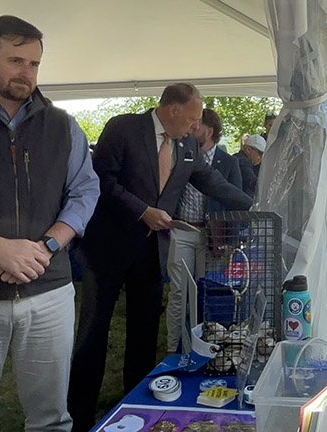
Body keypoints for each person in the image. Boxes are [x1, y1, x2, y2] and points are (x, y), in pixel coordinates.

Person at [68, 83, 252, 432]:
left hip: (151, 252)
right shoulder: (123, 127)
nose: (196, 126)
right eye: (193, 118)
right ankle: (80, 415)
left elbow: (211, 181)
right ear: (172, 110)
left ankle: (137, 406)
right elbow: (101, 181)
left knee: (144, 331)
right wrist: (142, 211)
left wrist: (255, 205)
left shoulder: (187, 146)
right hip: (106, 249)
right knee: (94, 331)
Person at [0, 15, 100, 431]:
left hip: (49, 289)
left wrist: (47, 246)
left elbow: (85, 192)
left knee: (52, 416)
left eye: (34, 63)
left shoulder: (63, 125)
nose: (27, 72)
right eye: (16, 60)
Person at [165, 107, 244, 352]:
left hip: (213, 239)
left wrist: (230, 240)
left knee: (206, 292)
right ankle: (173, 348)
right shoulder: (179, 154)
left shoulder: (230, 163)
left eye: (196, 125)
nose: (191, 128)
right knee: (179, 292)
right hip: (181, 231)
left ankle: (204, 345)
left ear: (209, 131)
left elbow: (234, 201)